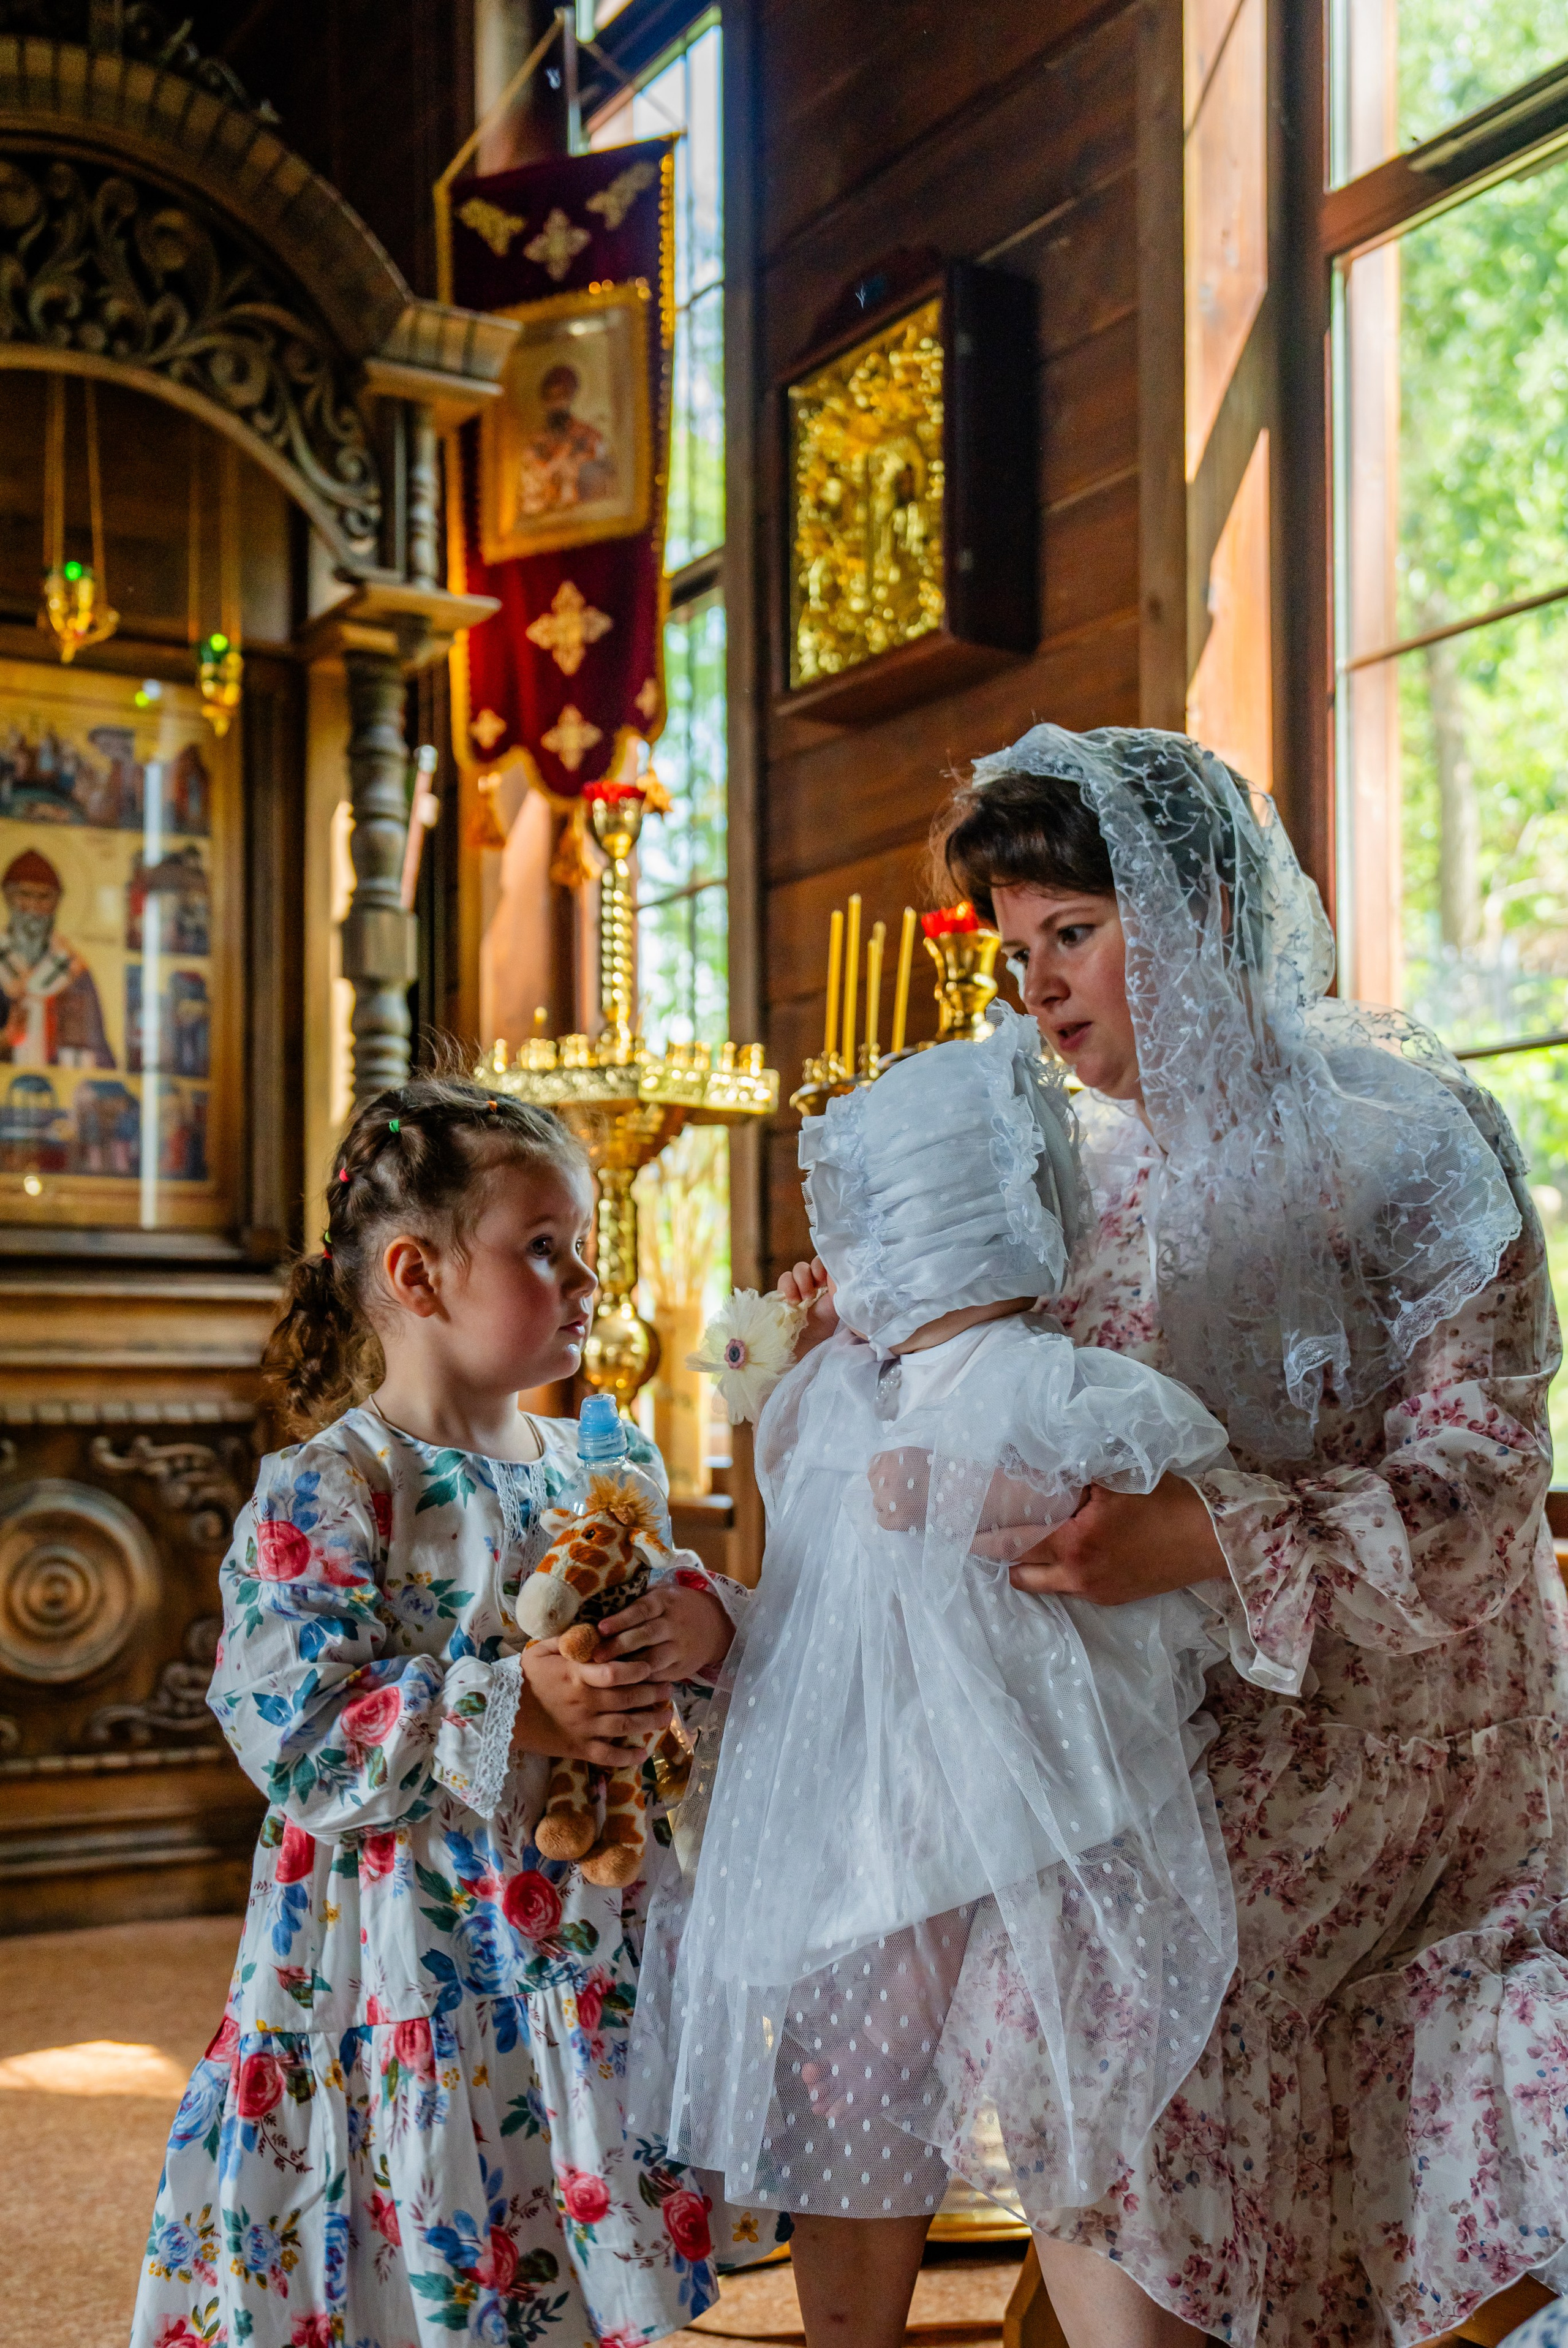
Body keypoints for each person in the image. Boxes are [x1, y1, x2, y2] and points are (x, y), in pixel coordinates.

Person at [889, 723, 1567, 2348]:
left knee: (1111, 1951)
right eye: (1015, 953)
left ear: (1195, 909)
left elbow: (1481, 1509)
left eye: (1074, 934)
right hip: (1177, 1706)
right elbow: (1064, 1451)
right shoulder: (1091, 1191)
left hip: (1414, 1722)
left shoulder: (1405, 1139)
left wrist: (1200, 1538)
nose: (1040, 991)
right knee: (940, 1886)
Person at [129, 1075, 782, 2348]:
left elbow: (678, 1617)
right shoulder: (332, 1484)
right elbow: (292, 1721)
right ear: (416, 1274)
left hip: (586, 1925)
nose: (585, 1275)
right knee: (431, 2242)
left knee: (572, 2225)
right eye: (544, 1247)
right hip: (404, 1946)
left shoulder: (608, 1459)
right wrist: (512, 1706)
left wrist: (703, 1624)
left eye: (582, 1244)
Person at [630, 1007, 1243, 2348]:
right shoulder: (827, 1398)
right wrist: (724, 1629)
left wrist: (988, 1488)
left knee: (1074, 2086)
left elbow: (1173, 1532)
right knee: (851, 2067)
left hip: (1037, 1785)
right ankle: (851, 2328)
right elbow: (800, 1597)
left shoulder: (1061, 1383)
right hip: (866, 1787)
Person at [0, 845, 113, 1066]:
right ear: (8, 898)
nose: (33, 906)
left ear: (56, 904)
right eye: (24, 894)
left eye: (44, 898)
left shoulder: (75, 973)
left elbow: (98, 1050)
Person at [518, 362, 616, 518]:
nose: (556, 403)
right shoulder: (535, 444)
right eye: (550, 397)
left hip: (585, 518)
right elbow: (530, 486)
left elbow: (603, 475)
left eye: (562, 396)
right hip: (547, 520)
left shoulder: (590, 435)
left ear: (571, 397)